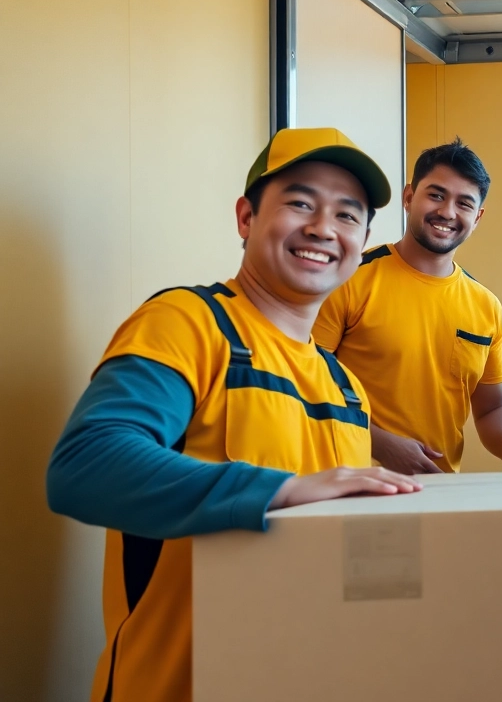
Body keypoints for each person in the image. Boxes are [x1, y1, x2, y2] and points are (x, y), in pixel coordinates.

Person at [46, 127, 422, 702]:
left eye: (348, 216)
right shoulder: (188, 323)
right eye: (300, 203)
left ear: (363, 239)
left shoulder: (346, 388)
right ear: (246, 217)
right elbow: (86, 466)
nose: (323, 228)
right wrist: (280, 490)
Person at [314, 138, 502, 474]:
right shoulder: (348, 278)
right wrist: (379, 444)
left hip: (438, 493)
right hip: (349, 488)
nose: (448, 212)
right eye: (436, 195)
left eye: (464, 203)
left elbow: (492, 409)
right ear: (409, 198)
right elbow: (302, 383)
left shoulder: (486, 306)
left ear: (478, 216)